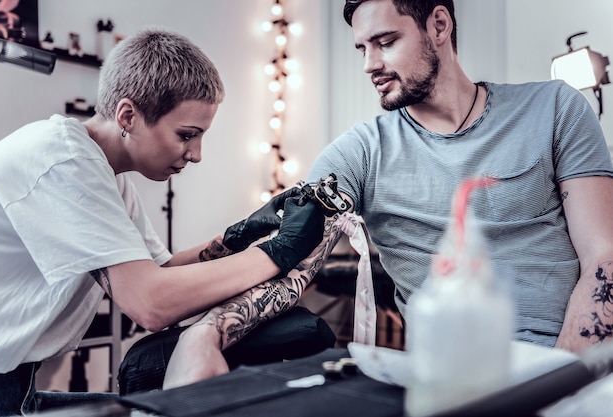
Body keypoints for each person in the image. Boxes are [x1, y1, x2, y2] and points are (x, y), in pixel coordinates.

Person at [162, 0, 613, 388]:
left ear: (439, 25)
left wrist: (560, 379)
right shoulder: (361, 152)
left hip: (576, 366)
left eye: (385, 42)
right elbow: (290, 261)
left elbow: (604, 257)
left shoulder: (555, 108)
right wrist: (205, 334)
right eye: (362, 48)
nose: (368, 64)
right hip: (450, 383)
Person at [0, 27, 325, 416]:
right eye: (187, 135)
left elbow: (161, 271)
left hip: (14, 382)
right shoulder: (63, 162)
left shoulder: (105, 173)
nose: (196, 154)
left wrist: (240, 235)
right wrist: (277, 253)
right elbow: (151, 304)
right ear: (128, 115)